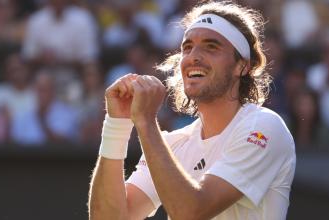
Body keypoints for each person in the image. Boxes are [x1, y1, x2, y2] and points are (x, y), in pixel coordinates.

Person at [89, 1, 296, 220]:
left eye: (211, 46)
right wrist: (116, 125)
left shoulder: (264, 128)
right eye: (187, 47)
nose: (193, 57)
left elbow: (191, 212)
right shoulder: (173, 144)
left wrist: (147, 122)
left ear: (241, 66)